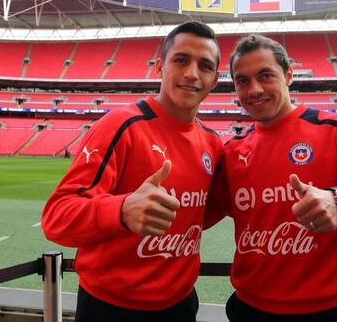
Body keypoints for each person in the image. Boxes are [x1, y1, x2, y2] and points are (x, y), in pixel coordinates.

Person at [206, 34, 337, 322]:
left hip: (328, 312)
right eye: (242, 81)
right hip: (251, 309)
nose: (254, 89)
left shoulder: (335, 130)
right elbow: (194, 215)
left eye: (266, 75)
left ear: (288, 75)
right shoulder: (233, 152)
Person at [41, 21, 223, 322]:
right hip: (110, 308)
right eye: (181, 60)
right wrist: (122, 210)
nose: (192, 73)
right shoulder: (120, 126)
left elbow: (206, 211)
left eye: (205, 66)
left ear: (215, 79)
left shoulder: (213, 144)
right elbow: (57, 217)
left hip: (181, 305)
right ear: (159, 67)